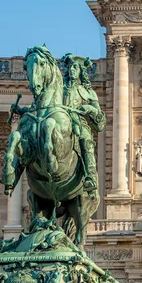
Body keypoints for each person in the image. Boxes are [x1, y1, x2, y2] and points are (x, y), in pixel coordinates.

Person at [61, 54, 106, 191]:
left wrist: (90, 108)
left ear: (81, 71)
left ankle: (90, 176)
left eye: (75, 67)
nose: (72, 70)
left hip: (78, 123)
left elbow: (100, 122)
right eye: (70, 67)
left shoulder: (89, 93)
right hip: (59, 120)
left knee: (86, 140)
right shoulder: (58, 88)